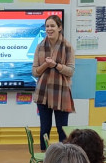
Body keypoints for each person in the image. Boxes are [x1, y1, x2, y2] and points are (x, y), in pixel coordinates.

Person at [31, 15, 75, 151]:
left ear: (59, 28)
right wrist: (46, 64)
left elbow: (71, 71)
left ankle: (64, 159)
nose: (49, 29)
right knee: (45, 128)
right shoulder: (40, 47)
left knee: (62, 129)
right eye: (47, 26)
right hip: (43, 93)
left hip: (61, 93)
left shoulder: (67, 47)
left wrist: (56, 65)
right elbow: (35, 72)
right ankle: (45, 159)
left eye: (52, 26)